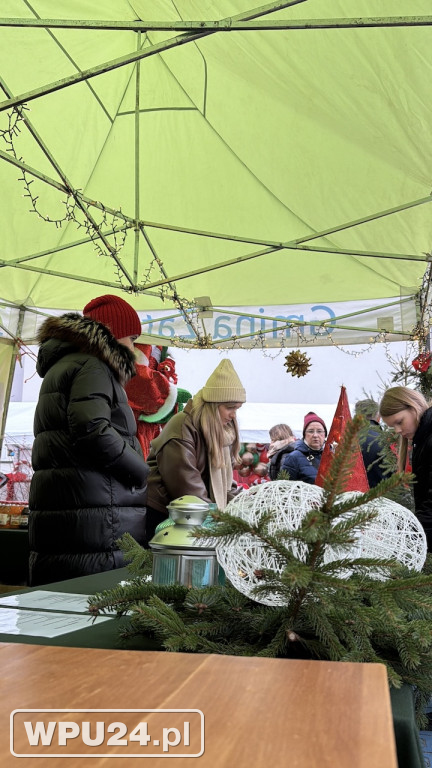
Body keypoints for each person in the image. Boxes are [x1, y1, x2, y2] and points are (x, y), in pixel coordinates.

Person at [28, 294, 149, 586]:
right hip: (95, 516)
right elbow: (91, 428)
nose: (133, 347)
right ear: (113, 335)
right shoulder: (93, 367)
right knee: (96, 603)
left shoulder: (66, 366)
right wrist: (140, 468)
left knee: (62, 609)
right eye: (131, 337)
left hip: (74, 508)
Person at [145, 358, 246, 540]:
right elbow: (188, 488)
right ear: (213, 405)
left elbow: (226, 487)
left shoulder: (221, 432)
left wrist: (250, 503)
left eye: (237, 409)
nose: (233, 415)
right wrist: (221, 522)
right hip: (165, 517)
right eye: (230, 408)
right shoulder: (183, 426)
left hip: (193, 514)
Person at [379, 385, 432, 550]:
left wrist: (406, 540)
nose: (398, 430)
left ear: (412, 406)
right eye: (392, 427)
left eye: (399, 422)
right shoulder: (422, 439)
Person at [280, 411, 327, 483]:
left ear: (325, 434)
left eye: (319, 431)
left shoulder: (333, 455)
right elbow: (285, 488)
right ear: (304, 435)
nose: (315, 435)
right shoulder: (293, 458)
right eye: (311, 431)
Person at [354, 398, 388, 488]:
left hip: (352, 496)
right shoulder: (383, 439)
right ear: (378, 417)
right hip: (380, 495)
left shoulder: (346, 439)